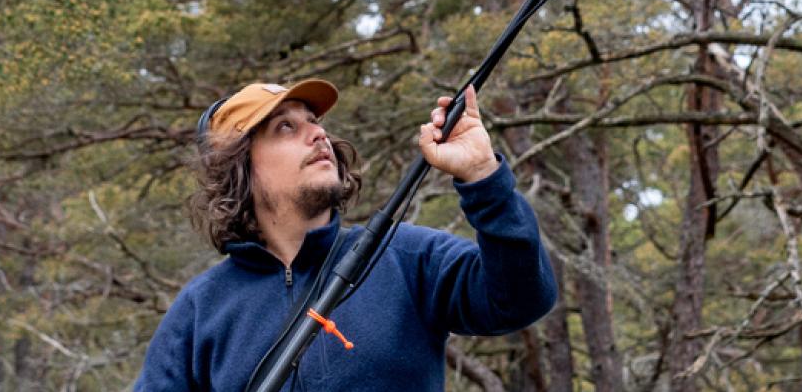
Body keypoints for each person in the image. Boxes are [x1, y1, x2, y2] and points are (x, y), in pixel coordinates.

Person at [132, 79, 557, 391]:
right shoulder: (200, 309)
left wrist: (483, 176)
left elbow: (522, 298)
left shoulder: (405, 257)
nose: (318, 134)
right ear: (241, 168)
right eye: (285, 127)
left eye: (314, 122)